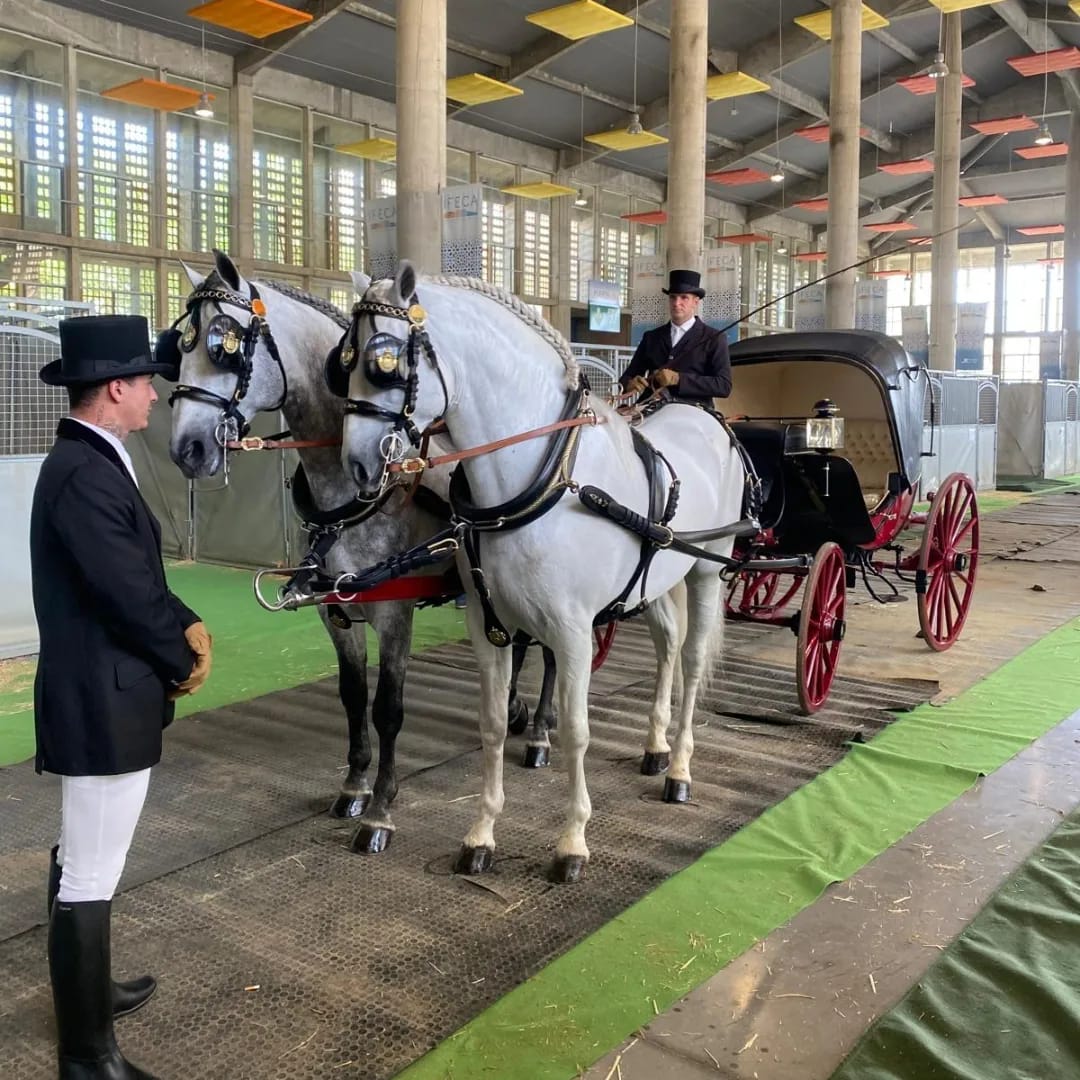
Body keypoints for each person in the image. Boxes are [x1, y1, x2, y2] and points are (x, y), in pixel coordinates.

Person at [31, 314, 213, 1080]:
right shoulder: (84, 473)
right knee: (89, 873)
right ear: (114, 388)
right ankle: (87, 1057)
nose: (153, 396)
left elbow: (139, 578)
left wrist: (185, 619)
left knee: (85, 857)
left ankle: (90, 998)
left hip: (102, 694)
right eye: (145, 382)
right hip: (100, 702)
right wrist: (180, 657)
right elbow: (127, 597)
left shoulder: (95, 459)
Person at [619, 268, 732, 406]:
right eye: (673, 297)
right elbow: (626, 377)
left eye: (684, 297)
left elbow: (723, 385)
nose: (676, 303)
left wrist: (679, 379)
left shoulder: (714, 338)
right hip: (651, 407)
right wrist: (630, 383)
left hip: (693, 410)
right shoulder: (651, 337)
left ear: (695, 302)